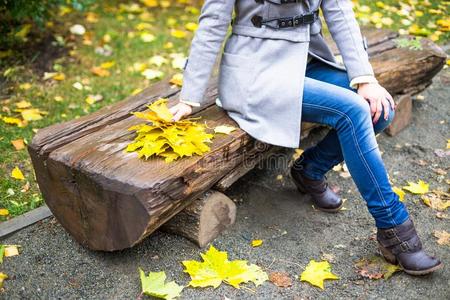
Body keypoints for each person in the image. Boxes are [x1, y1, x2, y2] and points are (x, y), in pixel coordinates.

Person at [168, 0, 442, 275]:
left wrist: (364, 78)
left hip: (305, 61)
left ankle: (309, 170)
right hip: (256, 72)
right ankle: (394, 228)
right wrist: (190, 97)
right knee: (354, 110)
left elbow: (341, 15)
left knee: (379, 110)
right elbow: (212, 24)